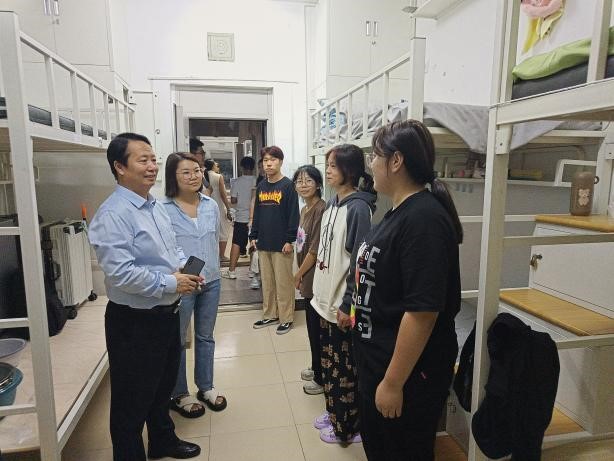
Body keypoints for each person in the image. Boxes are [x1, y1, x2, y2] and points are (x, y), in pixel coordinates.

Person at [89, 133, 202, 461]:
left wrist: (183, 269)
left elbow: (171, 249)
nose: (152, 166)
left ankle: (162, 441)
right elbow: (121, 274)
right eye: (143, 160)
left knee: (161, 388)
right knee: (131, 402)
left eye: (153, 159)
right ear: (120, 167)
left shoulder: (154, 206)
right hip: (134, 322)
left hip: (166, 315)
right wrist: (171, 282)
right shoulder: (113, 214)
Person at [354, 120, 463, 461]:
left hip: (406, 375)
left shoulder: (424, 220)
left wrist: (392, 383)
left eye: (375, 156)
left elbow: (422, 313)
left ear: (396, 161)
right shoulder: (399, 212)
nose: (371, 164)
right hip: (379, 363)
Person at [311, 144, 376, 444]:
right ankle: (334, 411)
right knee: (329, 364)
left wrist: (348, 304)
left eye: (333, 166)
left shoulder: (358, 208)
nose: (327, 171)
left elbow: (359, 263)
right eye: (327, 165)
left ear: (349, 171)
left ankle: (349, 426)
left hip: (340, 304)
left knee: (344, 368)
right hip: (323, 301)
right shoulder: (332, 204)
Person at [162, 152, 228, 419]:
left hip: (211, 280)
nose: (194, 176)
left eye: (197, 171)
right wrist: (180, 272)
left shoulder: (210, 205)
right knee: (177, 339)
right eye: (186, 172)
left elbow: (216, 238)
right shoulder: (163, 209)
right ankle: (179, 393)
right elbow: (165, 248)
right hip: (182, 284)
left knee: (205, 336)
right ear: (173, 176)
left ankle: (206, 387)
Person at [249, 146, 300, 334]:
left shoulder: (288, 186)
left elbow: (294, 215)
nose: (269, 164)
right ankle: (270, 314)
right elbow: (257, 213)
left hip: (282, 244)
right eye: (265, 160)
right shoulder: (262, 186)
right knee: (268, 283)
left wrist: (290, 240)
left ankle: (286, 318)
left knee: (283, 283)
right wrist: (253, 235)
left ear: (280, 162)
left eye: (273, 160)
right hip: (264, 242)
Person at [292, 165, 326, 395]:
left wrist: (299, 273)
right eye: (299, 181)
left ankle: (321, 377)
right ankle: (316, 366)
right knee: (311, 326)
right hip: (306, 273)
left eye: (308, 181)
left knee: (316, 328)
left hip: (313, 275)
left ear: (318, 184)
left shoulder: (321, 209)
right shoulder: (305, 208)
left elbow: (314, 249)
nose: (303, 185)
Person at [222, 156, 256, 279]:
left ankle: (232, 271)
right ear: (253, 167)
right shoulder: (257, 181)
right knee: (254, 243)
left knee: (236, 243)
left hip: (241, 217)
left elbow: (234, 200)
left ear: (242, 167)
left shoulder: (237, 182)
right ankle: (252, 271)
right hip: (255, 218)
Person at [204, 158, 233, 261]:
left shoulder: (202, 176)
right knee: (223, 230)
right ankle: (222, 256)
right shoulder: (218, 176)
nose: (218, 167)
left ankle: (211, 256)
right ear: (212, 166)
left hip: (205, 207)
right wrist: (228, 208)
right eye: (216, 165)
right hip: (218, 206)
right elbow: (223, 194)